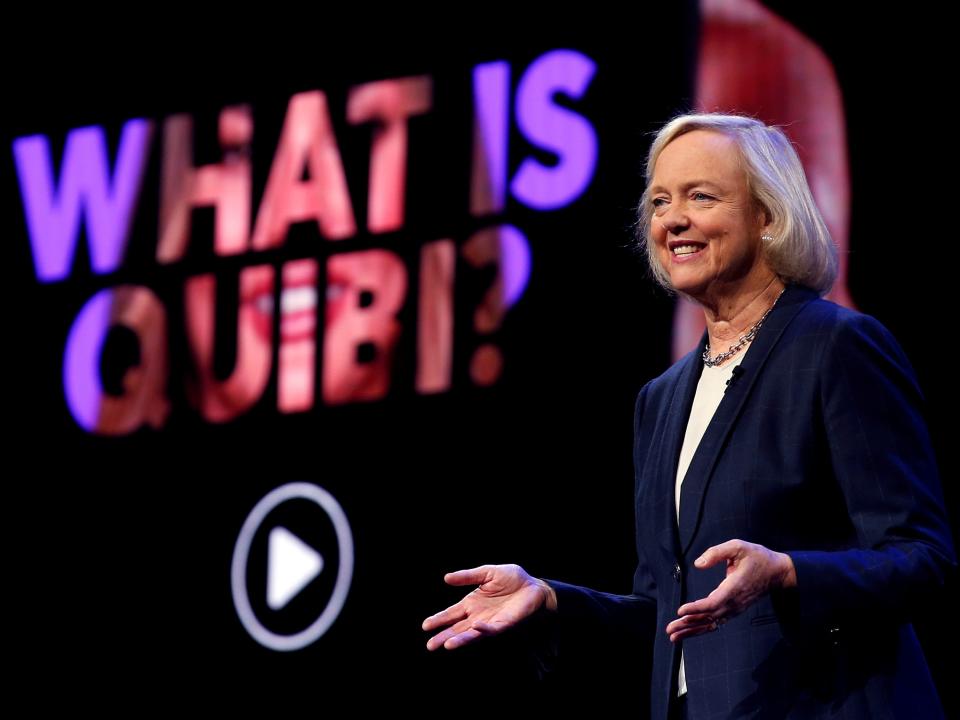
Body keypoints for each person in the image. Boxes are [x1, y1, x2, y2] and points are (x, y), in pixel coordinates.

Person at [422, 113, 956, 719]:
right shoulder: (662, 398)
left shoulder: (836, 346)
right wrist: (550, 600)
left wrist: (787, 573)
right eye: (659, 200)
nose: (672, 219)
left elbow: (921, 558)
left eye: (701, 196)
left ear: (767, 216)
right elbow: (666, 615)